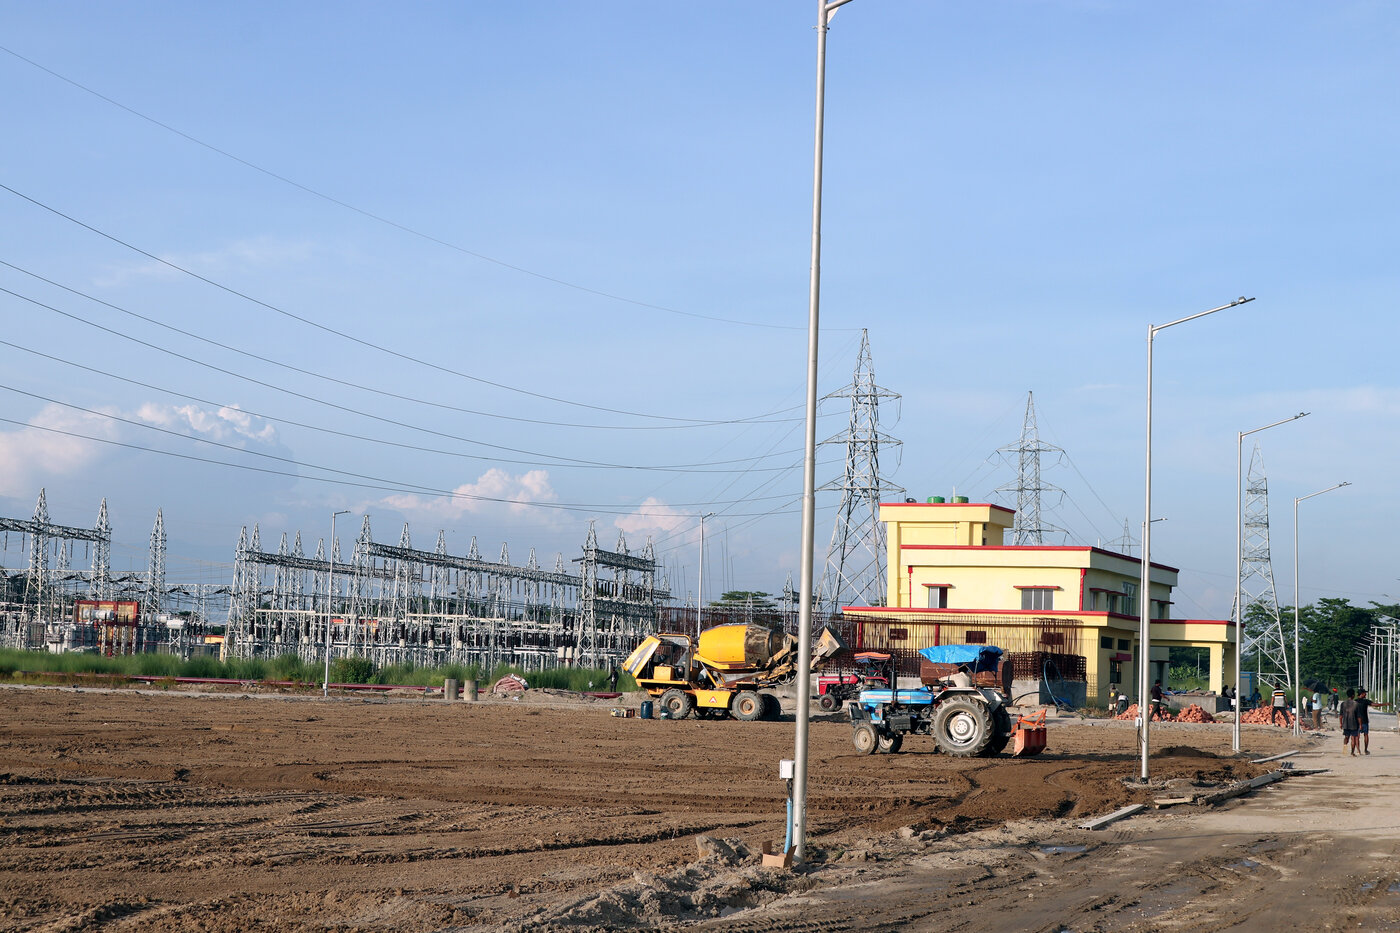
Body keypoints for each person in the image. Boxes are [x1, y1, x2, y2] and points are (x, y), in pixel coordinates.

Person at [1340, 688, 1360, 755]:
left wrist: (1340, 723)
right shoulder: (1356, 704)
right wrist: (1360, 724)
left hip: (1345, 723)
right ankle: (1352, 752)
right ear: (1353, 695)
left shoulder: (1343, 704)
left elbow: (1341, 715)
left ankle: (1344, 750)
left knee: (1346, 737)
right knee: (1353, 738)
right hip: (1354, 724)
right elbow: (1358, 716)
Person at [1356, 687, 1372, 755]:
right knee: (1366, 735)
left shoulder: (1355, 701)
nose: (1366, 694)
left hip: (1356, 721)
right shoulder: (1365, 701)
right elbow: (1374, 705)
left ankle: (1358, 750)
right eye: (1365, 693)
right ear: (1362, 694)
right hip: (1364, 721)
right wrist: (1384, 704)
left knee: (1357, 736)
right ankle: (1365, 750)